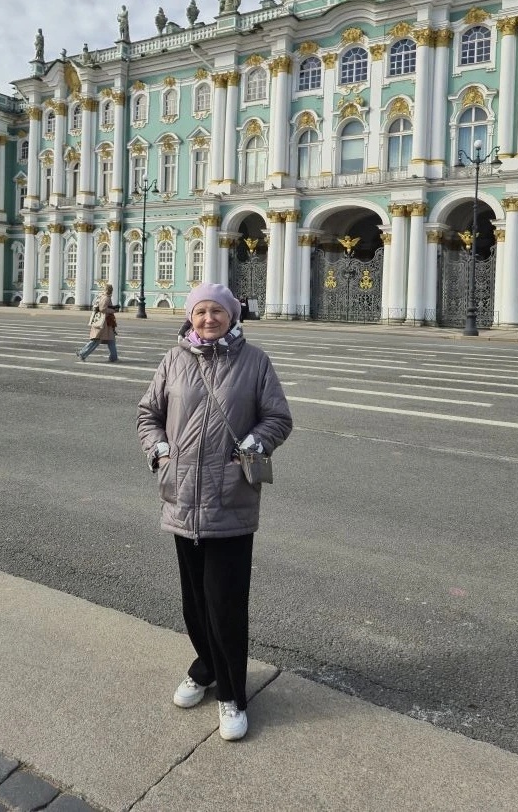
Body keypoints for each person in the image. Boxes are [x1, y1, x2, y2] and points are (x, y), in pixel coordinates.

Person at [137, 283, 292, 741]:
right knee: (194, 601)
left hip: (230, 497)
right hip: (181, 496)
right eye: (201, 312)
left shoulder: (255, 362)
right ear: (190, 317)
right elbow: (148, 413)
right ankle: (205, 667)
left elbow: (278, 418)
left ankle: (231, 694)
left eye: (217, 312)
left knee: (225, 603)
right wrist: (160, 453)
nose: (209, 319)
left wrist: (251, 444)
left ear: (232, 316)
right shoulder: (173, 359)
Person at [76, 286, 119, 362]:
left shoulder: (100, 296)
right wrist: (113, 310)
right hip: (104, 323)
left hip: (102, 321)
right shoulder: (106, 297)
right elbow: (102, 309)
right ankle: (82, 353)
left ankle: (114, 357)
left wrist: (112, 307)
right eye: (110, 289)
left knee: (111, 340)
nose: (110, 291)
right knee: (96, 340)